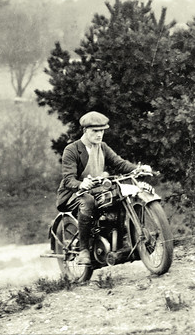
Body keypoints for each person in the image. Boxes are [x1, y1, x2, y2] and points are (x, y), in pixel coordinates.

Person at [56, 111, 151, 266]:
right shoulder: (72, 150)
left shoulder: (103, 147)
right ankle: (84, 250)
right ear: (85, 130)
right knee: (87, 202)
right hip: (72, 194)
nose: (99, 135)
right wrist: (81, 184)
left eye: (102, 131)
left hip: (96, 189)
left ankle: (123, 239)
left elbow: (120, 163)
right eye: (95, 131)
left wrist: (138, 169)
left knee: (117, 196)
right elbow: (68, 179)